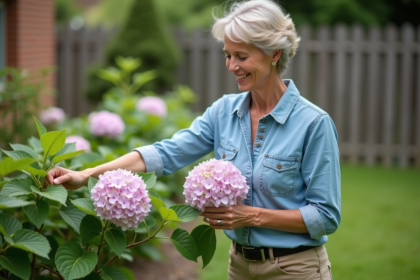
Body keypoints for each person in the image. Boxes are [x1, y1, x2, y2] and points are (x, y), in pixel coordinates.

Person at [46, 0, 341, 279]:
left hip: (296, 268)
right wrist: (87, 173)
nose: (231, 65)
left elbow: (325, 216)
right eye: (227, 55)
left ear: (274, 53)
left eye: (242, 56)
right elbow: (166, 153)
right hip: (239, 265)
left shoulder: (313, 124)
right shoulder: (224, 112)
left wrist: (250, 216)